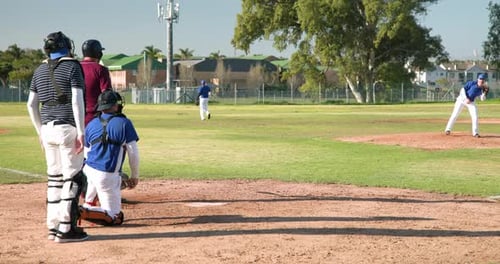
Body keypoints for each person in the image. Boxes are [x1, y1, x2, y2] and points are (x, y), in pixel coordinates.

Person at [26, 31, 88, 242]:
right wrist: (81, 131)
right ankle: (66, 228)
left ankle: (52, 226)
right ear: (66, 47)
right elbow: (76, 100)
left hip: (47, 129)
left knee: (54, 179)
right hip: (67, 127)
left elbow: (31, 104)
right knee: (73, 178)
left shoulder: (39, 69)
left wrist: (40, 132)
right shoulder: (73, 66)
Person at [79, 90, 140, 226]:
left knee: (95, 178)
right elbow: (133, 153)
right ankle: (80, 211)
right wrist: (134, 176)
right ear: (114, 106)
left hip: (89, 169)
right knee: (115, 217)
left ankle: (88, 203)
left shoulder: (92, 123)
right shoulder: (124, 123)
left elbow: (87, 152)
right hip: (106, 175)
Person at [445, 73, 489, 137]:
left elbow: (482, 99)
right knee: (455, 114)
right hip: (461, 99)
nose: (481, 80)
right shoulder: (472, 83)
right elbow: (462, 90)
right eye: (480, 79)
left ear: (484, 81)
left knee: (475, 116)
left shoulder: (483, 88)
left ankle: (475, 133)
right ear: (478, 79)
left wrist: (485, 93)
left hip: (471, 102)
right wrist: (466, 98)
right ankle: (448, 129)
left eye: (482, 79)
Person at [80, 39, 112, 126]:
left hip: (74, 118)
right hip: (94, 117)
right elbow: (107, 96)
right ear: (98, 53)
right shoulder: (100, 69)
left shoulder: (74, 67)